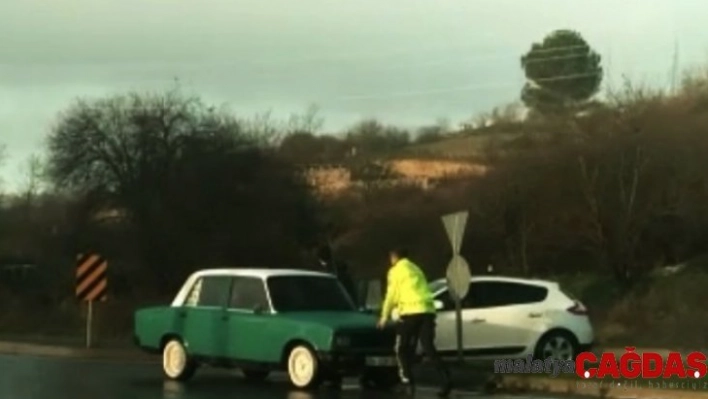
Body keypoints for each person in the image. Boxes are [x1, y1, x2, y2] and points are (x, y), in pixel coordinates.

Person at [377, 248, 452, 397]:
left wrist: (384, 316)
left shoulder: (395, 271)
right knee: (429, 348)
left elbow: (391, 294)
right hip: (427, 312)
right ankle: (446, 380)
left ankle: (407, 382)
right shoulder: (417, 269)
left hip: (410, 313)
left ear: (393, 257)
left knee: (400, 349)